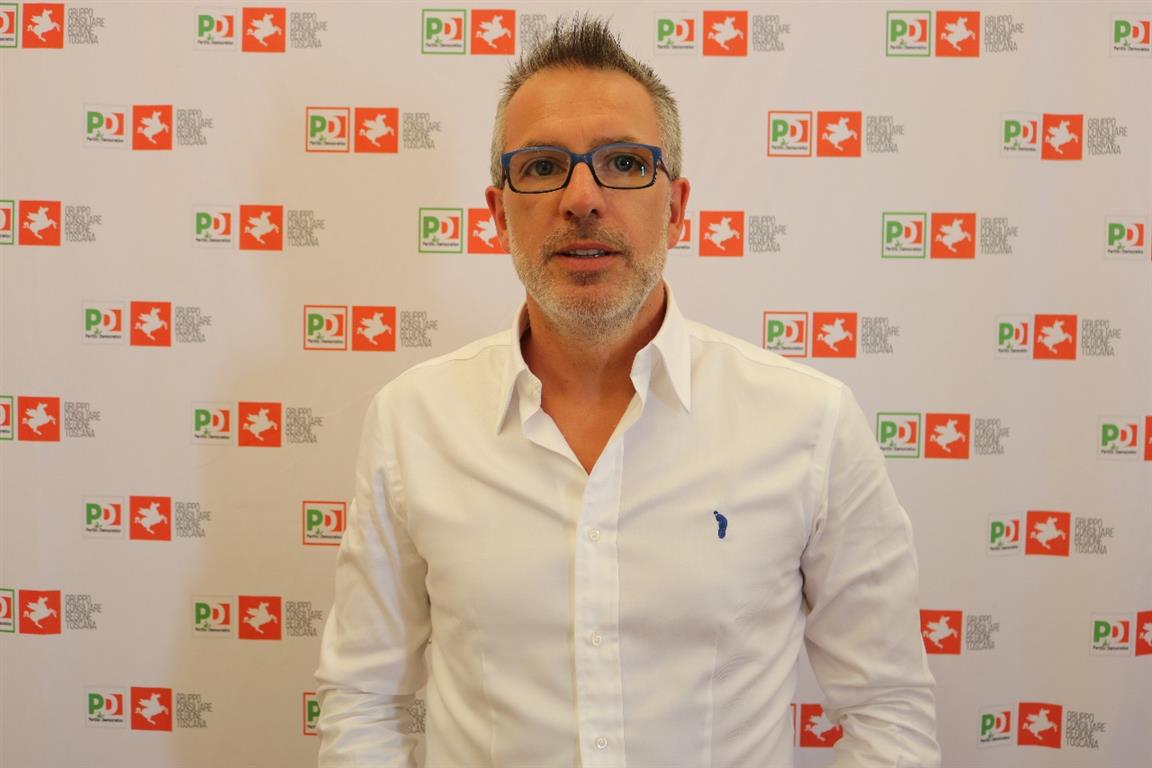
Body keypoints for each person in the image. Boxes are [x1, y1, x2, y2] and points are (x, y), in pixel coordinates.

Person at [316, 17, 939, 768]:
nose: (582, 197)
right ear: (497, 213)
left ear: (675, 208)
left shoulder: (811, 423)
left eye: (623, 163)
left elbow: (887, 711)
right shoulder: (414, 421)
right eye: (542, 166)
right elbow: (362, 699)